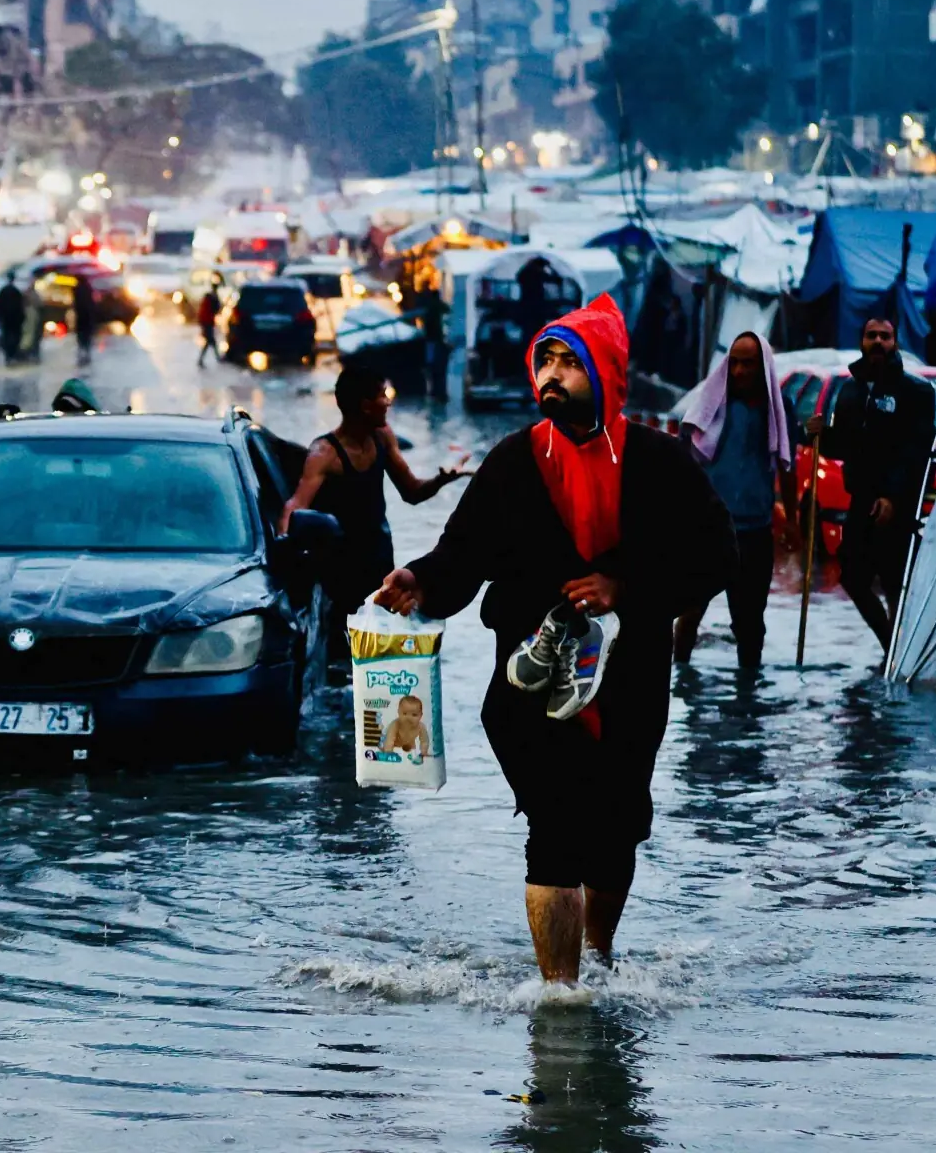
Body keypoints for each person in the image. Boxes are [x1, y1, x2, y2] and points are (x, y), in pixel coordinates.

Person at [373, 295, 736, 985]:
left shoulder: (662, 462)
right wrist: (417, 581)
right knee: (556, 832)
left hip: (629, 683)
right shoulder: (512, 461)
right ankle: (561, 1002)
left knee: (619, 830)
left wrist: (624, 587)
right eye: (546, 359)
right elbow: (461, 555)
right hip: (527, 682)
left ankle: (597, 956)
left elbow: (718, 559)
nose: (553, 373)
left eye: (570, 361)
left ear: (605, 372)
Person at [281, 363, 467, 664]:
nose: (389, 401)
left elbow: (412, 492)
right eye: (383, 395)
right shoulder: (324, 453)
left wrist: (443, 479)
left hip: (380, 565)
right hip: (339, 572)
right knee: (342, 656)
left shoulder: (382, 437)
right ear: (366, 406)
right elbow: (295, 508)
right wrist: (283, 549)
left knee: (384, 654)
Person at [807, 316, 936, 651]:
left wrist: (892, 496)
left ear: (895, 342)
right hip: (861, 500)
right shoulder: (851, 390)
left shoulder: (915, 391)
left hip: (899, 503)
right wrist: (819, 435)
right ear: (862, 341)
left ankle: (901, 653)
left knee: (895, 582)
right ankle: (890, 645)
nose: (878, 342)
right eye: (871, 336)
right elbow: (844, 446)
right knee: (851, 576)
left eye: (885, 336)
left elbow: (915, 450)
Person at [673, 331, 793, 670]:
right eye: (735, 363)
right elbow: (684, 463)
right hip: (707, 528)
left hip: (755, 529)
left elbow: (786, 465)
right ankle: (678, 685)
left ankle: (748, 702)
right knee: (690, 612)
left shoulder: (778, 410)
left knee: (749, 621)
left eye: (748, 364)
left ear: (762, 367)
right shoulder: (710, 407)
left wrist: (795, 523)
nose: (740, 371)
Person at [0, 281, 27, 358]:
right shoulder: (16, 291)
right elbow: (21, 304)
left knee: (7, 334)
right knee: (16, 334)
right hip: (15, 317)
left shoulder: (3, 291)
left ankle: (9, 354)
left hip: (6, 317)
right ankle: (14, 352)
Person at [71, 273, 98, 363]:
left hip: (81, 316)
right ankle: (86, 351)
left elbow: (75, 303)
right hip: (88, 316)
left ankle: (82, 350)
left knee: (81, 335)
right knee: (87, 335)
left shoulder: (76, 289)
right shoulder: (88, 288)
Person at [196, 285, 221, 365]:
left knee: (210, 341)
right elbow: (215, 309)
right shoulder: (212, 298)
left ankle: (203, 359)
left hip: (206, 322)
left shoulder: (208, 298)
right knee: (211, 340)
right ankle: (216, 357)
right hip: (207, 322)